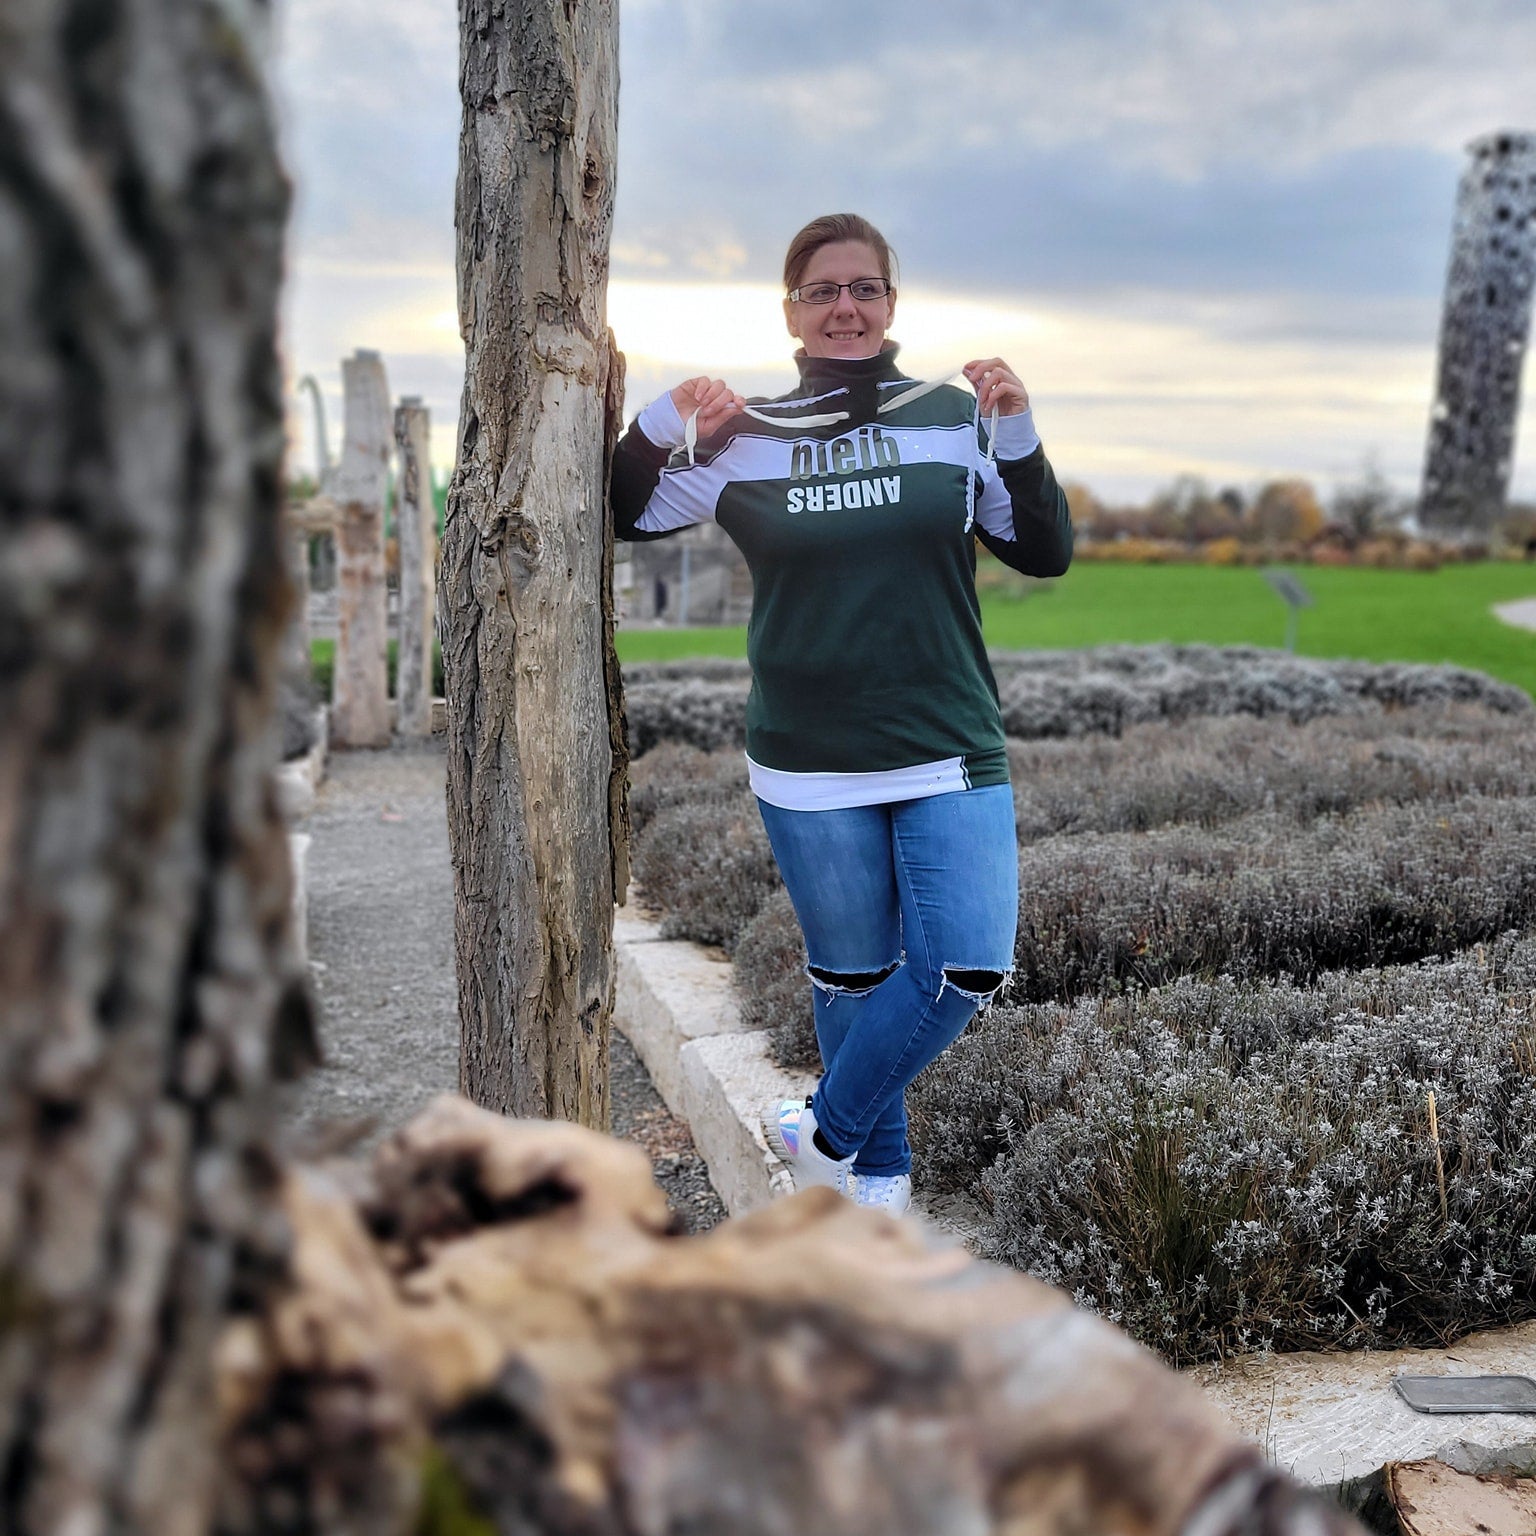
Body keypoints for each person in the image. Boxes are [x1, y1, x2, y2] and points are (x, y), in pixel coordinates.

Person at [610, 213, 1072, 1216]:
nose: (846, 306)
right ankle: (873, 1196)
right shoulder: (747, 436)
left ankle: (821, 1130)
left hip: (946, 737)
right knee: (854, 981)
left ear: (892, 306)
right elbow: (622, 512)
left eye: (865, 288)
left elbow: (1043, 549)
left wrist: (1021, 431)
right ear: (792, 313)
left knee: (962, 964)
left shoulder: (953, 415)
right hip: (808, 756)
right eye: (823, 291)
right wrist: (659, 419)